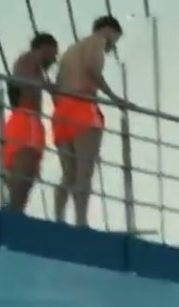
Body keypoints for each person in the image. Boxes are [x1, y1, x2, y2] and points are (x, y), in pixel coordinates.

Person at [52, 16, 133, 227]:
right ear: (108, 30)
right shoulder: (97, 42)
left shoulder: (70, 50)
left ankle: (58, 217)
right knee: (84, 171)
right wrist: (115, 99)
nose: (113, 45)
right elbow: (91, 70)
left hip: (62, 112)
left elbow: (57, 85)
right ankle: (81, 221)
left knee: (68, 174)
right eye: (115, 38)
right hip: (82, 108)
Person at [2, 33, 60, 213]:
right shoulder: (30, 58)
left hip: (23, 120)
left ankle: (15, 210)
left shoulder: (30, 65)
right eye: (53, 53)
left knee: (28, 171)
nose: (54, 59)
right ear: (44, 47)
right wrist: (49, 87)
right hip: (27, 120)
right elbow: (29, 81)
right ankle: (14, 211)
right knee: (25, 165)